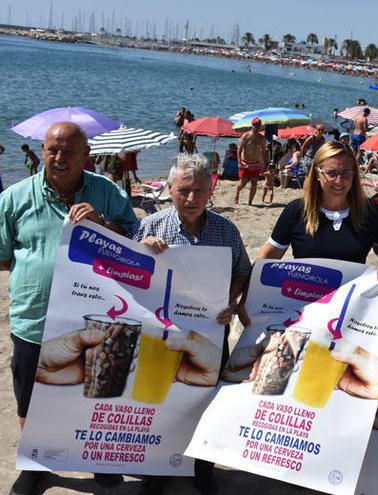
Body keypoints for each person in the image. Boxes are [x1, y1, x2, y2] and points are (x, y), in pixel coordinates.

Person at [0, 122, 138, 495]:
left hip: (99, 315)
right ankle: (35, 463)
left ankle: (99, 460)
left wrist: (103, 225)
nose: (59, 157)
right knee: (30, 396)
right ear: (42, 150)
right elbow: (0, 258)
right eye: (52, 149)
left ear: (87, 156)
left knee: (99, 390)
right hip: (34, 319)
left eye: (69, 151)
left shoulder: (107, 192)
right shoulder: (15, 198)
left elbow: (135, 239)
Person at [133, 153, 251, 495]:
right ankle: (155, 471)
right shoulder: (151, 226)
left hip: (212, 330)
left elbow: (243, 269)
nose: (191, 198)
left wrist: (229, 300)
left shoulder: (226, 230)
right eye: (184, 190)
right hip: (162, 332)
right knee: (160, 400)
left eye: (200, 190)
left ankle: (202, 469)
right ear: (170, 189)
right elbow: (122, 266)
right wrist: (140, 249)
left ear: (210, 189)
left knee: (207, 401)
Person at [253, 141, 378, 311]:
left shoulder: (369, 210)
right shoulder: (297, 210)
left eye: (346, 173)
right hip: (304, 305)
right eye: (332, 173)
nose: (339, 180)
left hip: (350, 307)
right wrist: (249, 299)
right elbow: (267, 257)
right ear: (317, 174)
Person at [236, 118, 268, 205]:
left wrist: (266, 164)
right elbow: (239, 149)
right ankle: (237, 193)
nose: (257, 127)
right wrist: (239, 162)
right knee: (243, 184)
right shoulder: (246, 136)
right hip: (245, 163)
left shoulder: (262, 139)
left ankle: (250, 202)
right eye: (255, 125)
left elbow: (264, 152)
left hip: (255, 164)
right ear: (252, 125)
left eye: (258, 125)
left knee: (254, 183)